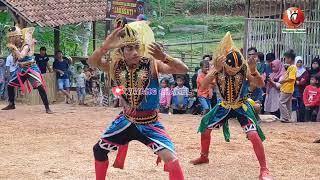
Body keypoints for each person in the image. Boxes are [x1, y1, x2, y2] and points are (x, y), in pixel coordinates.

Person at [88, 23, 187, 180]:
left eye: (136, 47)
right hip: (126, 121)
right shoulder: (116, 65)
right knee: (98, 150)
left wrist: (165, 57)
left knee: (171, 158)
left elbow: (183, 69)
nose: (135, 52)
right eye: (129, 48)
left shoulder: (152, 64)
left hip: (150, 123)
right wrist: (104, 47)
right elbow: (92, 62)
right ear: (121, 51)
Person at [190, 33, 272, 180]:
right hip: (224, 105)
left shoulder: (243, 67)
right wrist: (214, 70)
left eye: (236, 69)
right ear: (225, 64)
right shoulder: (218, 68)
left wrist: (253, 71)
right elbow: (202, 86)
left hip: (241, 105)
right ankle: (204, 156)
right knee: (205, 129)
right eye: (230, 69)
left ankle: (264, 170)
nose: (233, 71)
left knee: (253, 135)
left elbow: (260, 85)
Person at [1, 26, 52, 114]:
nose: (10, 40)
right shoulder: (17, 46)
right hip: (23, 69)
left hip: (31, 68)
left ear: (17, 37)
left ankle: (47, 108)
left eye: (11, 37)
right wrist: (14, 54)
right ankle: (11, 104)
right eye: (10, 38)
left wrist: (14, 49)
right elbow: (16, 60)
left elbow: (21, 56)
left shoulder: (26, 45)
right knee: (10, 85)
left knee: (40, 86)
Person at [279, 49, 297, 123]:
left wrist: (283, 81)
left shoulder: (293, 67)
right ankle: (288, 117)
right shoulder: (291, 67)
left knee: (281, 102)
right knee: (288, 103)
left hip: (287, 88)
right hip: (288, 88)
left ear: (289, 58)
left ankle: (285, 117)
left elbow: (291, 78)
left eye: (286, 58)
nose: (285, 59)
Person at [295, 56, 309, 122]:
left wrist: (298, 81)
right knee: (294, 104)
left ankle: (301, 119)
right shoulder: (293, 70)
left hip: (302, 91)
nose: (299, 63)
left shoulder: (305, 71)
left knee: (301, 105)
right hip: (294, 90)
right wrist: (297, 81)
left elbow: (303, 81)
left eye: (301, 62)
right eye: (298, 62)